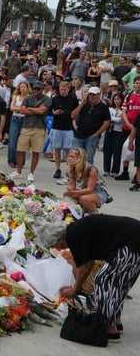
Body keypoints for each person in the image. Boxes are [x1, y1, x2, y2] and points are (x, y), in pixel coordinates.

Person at [36, 215, 140, 343]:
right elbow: (89, 263)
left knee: (104, 281)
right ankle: (116, 320)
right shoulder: (76, 230)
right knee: (119, 284)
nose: (57, 249)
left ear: (59, 239)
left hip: (130, 243)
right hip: (133, 239)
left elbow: (84, 269)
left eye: (54, 245)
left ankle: (109, 328)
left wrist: (74, 289)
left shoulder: (74, 235)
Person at [10, 81, 51, 182]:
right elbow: (22, 110)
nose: (36, 90)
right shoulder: (28, 98)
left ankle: (31, 172)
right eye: (35, 88)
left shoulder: (47, 99)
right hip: (26, 126)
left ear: (42, 89)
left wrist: (30, 109)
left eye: (38, 89)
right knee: (20, 150)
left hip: (39, 127)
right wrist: (36, 110)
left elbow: (42, 111)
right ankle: (18, 171)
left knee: (36, 152)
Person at [71, 86, 110, 165]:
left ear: (99, 95)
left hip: (92, 136)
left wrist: (97, 134)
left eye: (94, 95)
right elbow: (73, 116)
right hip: (79, 135)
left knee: (88, 158)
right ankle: (71, 175)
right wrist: (81, 104)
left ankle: (87, 176)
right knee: (74, 156)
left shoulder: (104, 107)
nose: (92, 97)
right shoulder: (84, 104)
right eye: (90, 94)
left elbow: (107, 122)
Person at [62, 147, 109, 215]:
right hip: (85, 191)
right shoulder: (71, 168)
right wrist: (69, 190)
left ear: (80, 159)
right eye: (69, 156)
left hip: (99, 192)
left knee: (84, 199)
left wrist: (73, 191)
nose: (69, 158)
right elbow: (72, 186)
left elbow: (89, 190)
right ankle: (81, 210)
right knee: (67, 194)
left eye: (72, 157)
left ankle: (94, 214)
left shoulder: (92, 170)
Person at [49, 80, 79, 180]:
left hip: (68, 127)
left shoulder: (73, 99)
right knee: (57, 149)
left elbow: (76, 111)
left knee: (68, 150)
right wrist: (54, 113)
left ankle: (69, 170)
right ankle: (58, 169)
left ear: (68, 89)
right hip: (57, 126)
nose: (62, 91)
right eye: (61, 90)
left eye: (64, 90)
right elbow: (48, 111)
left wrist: (74, 122)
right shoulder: (54, 99)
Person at [103, 93, 126, 177]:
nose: (116, 101)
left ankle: (115, 171)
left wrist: (113, 118)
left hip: (118, 131)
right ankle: (106, 170)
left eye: (118, 99)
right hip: (109, 131)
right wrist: (114, 118)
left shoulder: (123, 110)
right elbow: (107, 118)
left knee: (117, 151)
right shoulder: (109, 109)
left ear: (122, 100)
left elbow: (120, 120)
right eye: (115, 99)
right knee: (107, 150)